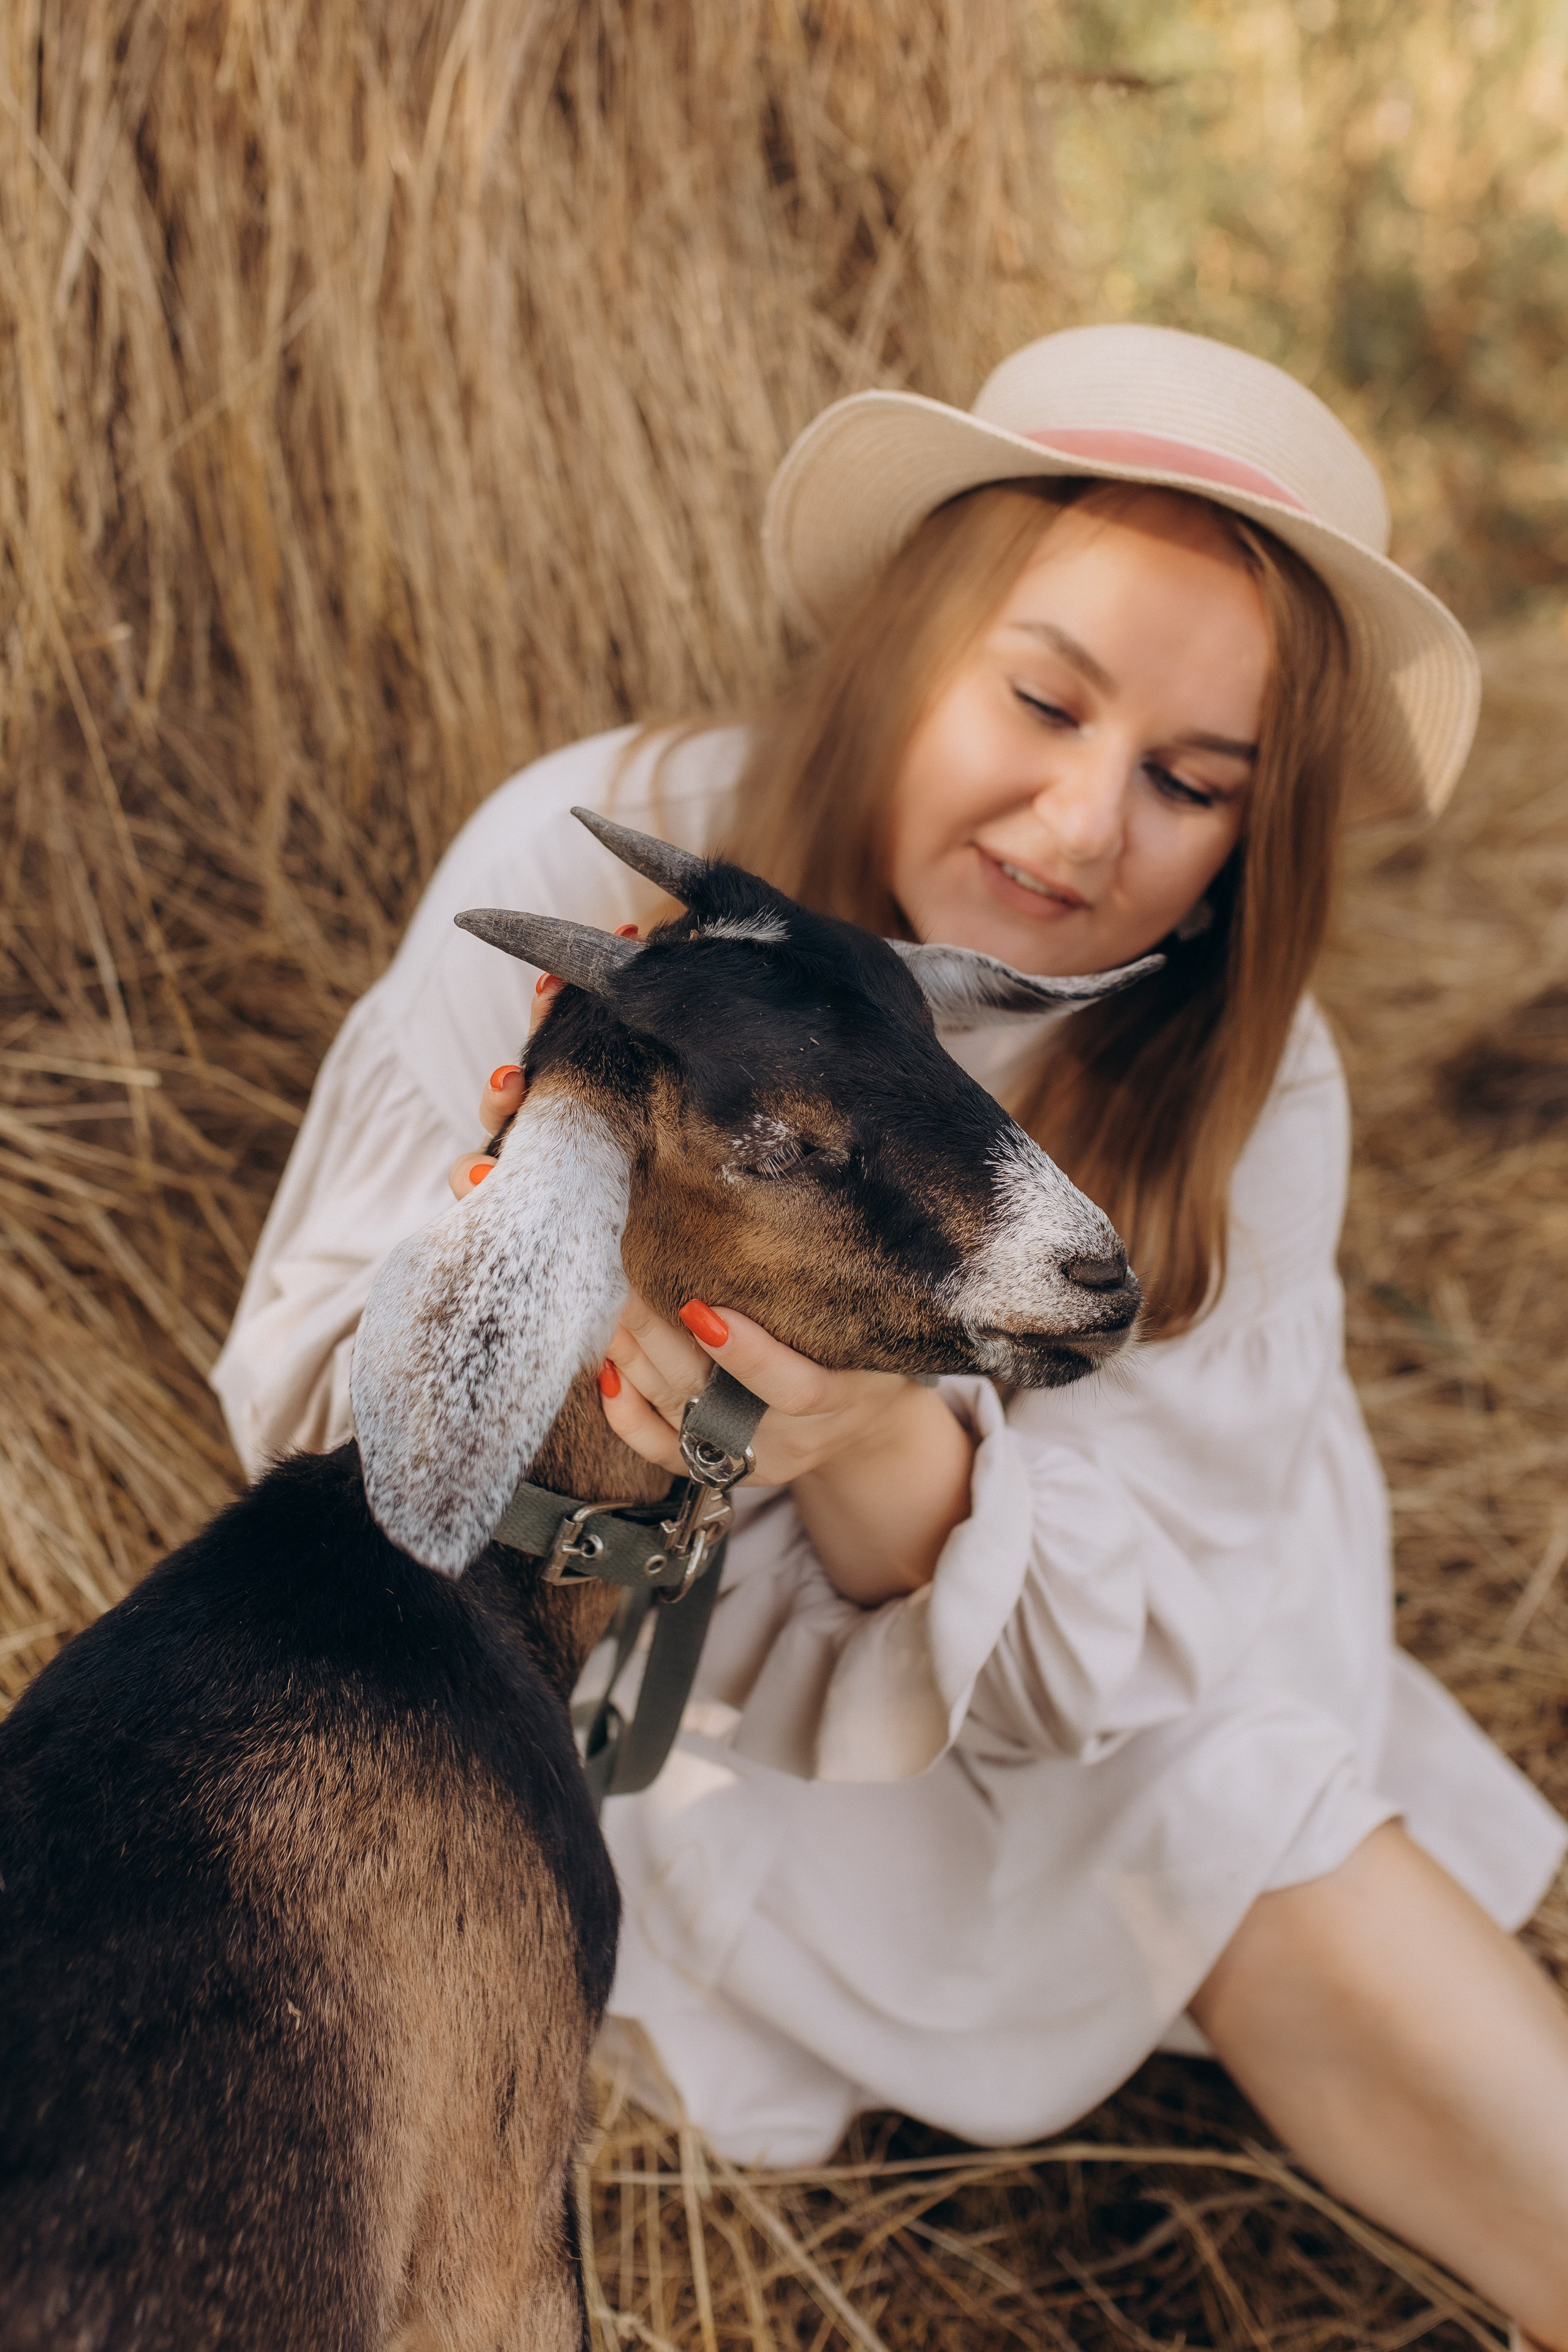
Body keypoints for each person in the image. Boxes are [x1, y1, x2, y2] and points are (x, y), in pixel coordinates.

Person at [212, 326, 1568, 2343]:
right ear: (904, 645)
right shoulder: (592, 867)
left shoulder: (1248, 1092)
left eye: (1196, 785)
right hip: (635, 1705)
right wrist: (592, 1317)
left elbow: (1102, 1679)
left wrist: (870, 1438)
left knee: (1238, 1798)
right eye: (1042, 698)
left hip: (1061, 1683)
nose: (1085, 823)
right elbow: (323, 1398)